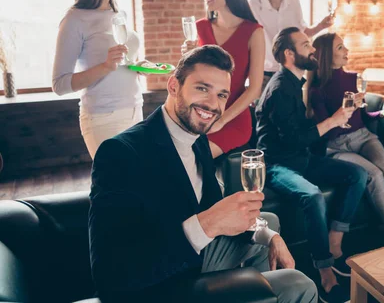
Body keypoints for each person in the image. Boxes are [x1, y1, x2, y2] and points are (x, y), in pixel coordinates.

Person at [89, 45, 317, 303]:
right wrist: (207, 224)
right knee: (299, 283)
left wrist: (270, 236)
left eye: (222, 95)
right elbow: (110, 277)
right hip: (161, 286)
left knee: (268, 222)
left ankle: (260, 294)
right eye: (202, 88)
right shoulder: (121, 153)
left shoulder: (197, 140)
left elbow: (210, 208)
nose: (213, 104)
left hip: (196, 259)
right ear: (174, 86)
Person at [256, 27, 368, 303]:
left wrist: (334, 122)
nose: (313, 49)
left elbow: (301, 131)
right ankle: (325, 272)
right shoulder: (281, 88)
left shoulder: (296, 82)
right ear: (289, 54)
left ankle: (335, 240)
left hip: (300, 159)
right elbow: (292, 140)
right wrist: (331, 121)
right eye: (306, 44)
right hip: (276, 164)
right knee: (313, 196)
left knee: (358, 174)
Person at [309, 33, 384, 241]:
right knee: (375, 175)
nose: (347, 51)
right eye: (340, 48)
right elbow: (329, 130)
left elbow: (362, 117)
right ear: (327, 54)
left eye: (344, 47)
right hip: (336, 146)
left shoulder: (353, 78)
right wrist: (348, 109)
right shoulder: (317, 90)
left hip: (363, 137)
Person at [52, 0, 143, 159]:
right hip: (104, 118)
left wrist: (138, 66)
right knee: (117, 187)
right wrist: (105, 67)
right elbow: (60, 84)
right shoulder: (75, 19)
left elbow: (124, 60)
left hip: (135, 109)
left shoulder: (119, 13)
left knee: (138, 185)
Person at [181, 0, 265, 158]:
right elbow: (191, 77)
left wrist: (221, 121)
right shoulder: (199, 28)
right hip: (199, 114)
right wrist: (187, 57)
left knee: (189, 159)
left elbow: (254, 90)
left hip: (232, 120)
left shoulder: (254, 32)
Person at [249, 0, 334, 90]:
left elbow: (302, 33)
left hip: (292, 71)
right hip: (265, 74)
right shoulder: (252, 5)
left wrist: (321, 26)